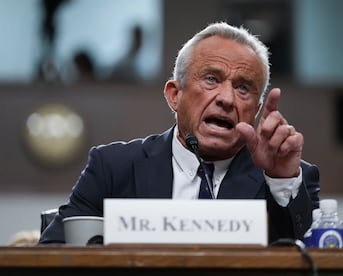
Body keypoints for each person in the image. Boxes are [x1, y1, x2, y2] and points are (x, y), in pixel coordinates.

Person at [38, 22, 320, 244]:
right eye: (211, 79)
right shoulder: (112, 168)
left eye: (243, 88)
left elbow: (313, 262)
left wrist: (281, 181)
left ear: (256, 110)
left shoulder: (289, 178)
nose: (227, 99)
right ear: (175, 95)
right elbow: (52, 256)